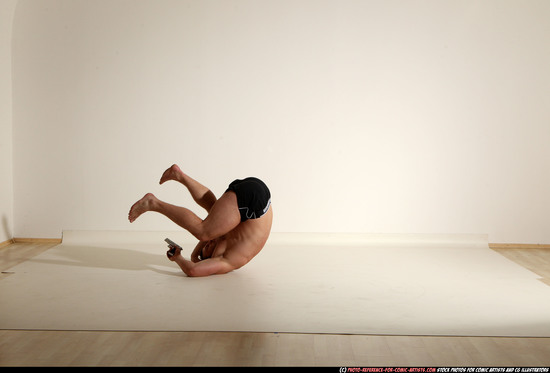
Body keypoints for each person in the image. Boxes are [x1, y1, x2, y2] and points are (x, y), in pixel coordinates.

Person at [128, 164, 273, 277]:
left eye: (205, 247)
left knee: (211, 222)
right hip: (255, 202)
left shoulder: (226, 252)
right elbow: (193, 270)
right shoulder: (226, 259)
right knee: (204, 231)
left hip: (254, 195)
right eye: (207, 247)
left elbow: (194, 267)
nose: (207, 244)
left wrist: (180, 257)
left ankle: (179, 175)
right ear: (212, 257)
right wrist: (194, 255)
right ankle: (153, 203)